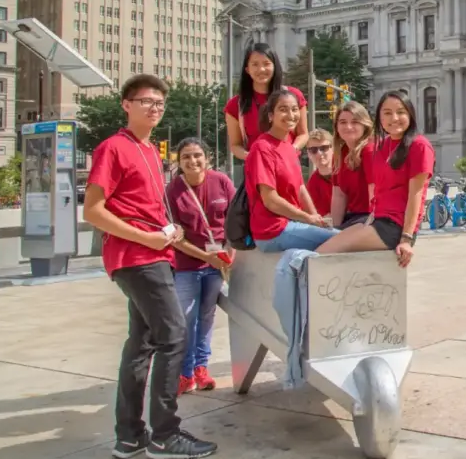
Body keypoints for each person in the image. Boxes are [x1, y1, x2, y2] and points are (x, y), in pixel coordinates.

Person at [82, 74, 218, 459]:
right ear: (126, 104)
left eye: (159, 103)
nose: (154, 108)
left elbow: (144, 208)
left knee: (140, 345)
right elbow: (93, 211)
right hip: (138, 258)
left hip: (155, 252)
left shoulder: (150, 151)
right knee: (174, 335)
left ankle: (129, 436)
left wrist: (168, 230)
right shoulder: (113, 148)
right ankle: (165, 434)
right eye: (146, 101)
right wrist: (148, 238)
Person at [319, 91, 432, 267]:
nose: (394, 118)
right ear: (379, 118)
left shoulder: (419, 146)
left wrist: (406, 239)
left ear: (410, 114)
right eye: (387, 113)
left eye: (401, 112)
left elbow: (415, 196)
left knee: (321, 254)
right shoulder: (382, 146)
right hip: (377, 221)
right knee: (318, 248)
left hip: (395, 227)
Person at [167, 138, 235, 396]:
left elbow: (235, 219)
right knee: (186, 319)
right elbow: (175, 238)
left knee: (206, 317)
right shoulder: (172, 191)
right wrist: (208, 258)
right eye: (186, 157)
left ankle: (201, 369)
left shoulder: (222, 182)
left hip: (218, 263)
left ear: (207, 158)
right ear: (179, 162)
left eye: (197, 155)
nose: (192, 161)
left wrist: (230, 250)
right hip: (187, 264)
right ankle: (184, 373)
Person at [245, 89, 335, 252]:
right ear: (271, 115)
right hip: (273, 230)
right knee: (340, 239)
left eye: (294, 109)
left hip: (292, 225)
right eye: (283, 109)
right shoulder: (262, 148)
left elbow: (301, 189)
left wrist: (316, 220)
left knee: (341, 237)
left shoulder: (289, 147)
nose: (291, 114)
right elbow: (270, 200)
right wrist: (308, 218)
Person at [224, 42, 308, 162]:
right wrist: (253, 156)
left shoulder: (293, 96)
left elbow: (303, 134)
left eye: (266, 64)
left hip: (288, 164)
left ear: (275, 66)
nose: (261, 69)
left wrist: (291, 150)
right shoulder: (235, 105)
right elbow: (235, 145)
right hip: (256, 169)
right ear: (247, 69)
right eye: (255, 64)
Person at [330, 100, 375, 229]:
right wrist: (334, 229)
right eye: (343, 122)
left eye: (355, 122)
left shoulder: (369, 150)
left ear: (364, 125)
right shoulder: (339, 154)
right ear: (336, 127)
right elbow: (339, 196)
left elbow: (375, 195)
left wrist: (367, 229)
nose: (348, 127)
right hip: (351, 218)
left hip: (370, 218)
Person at [303, 129, 335, 218]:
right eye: (313, 150)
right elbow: (323, 216)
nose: (319, 153)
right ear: (308, 154)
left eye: (324, 148)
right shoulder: (313, 183)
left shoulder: (347, 171)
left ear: (333, 148)